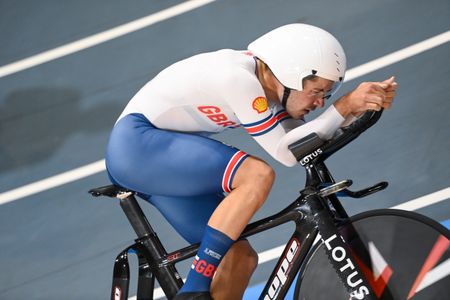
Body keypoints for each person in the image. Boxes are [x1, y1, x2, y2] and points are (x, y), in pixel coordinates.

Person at [105, 23, 398, 300]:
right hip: (137, 145)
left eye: (328, 93)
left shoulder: (274, 91)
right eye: (317, 91)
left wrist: (356, 112)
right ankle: (193, 290)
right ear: (288, 75)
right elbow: (285, 153)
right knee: (256, 174)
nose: (320, 103)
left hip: (158, 160)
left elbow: (306, 142)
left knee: (240, 259)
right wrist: (344, 105)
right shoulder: (239, 78)